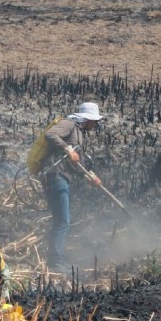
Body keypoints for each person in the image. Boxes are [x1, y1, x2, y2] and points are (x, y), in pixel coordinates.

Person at [41, 101, 104, 270]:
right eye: (94, 121)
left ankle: (56, 260)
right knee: (62, 222)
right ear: (88, 119)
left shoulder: (79, 132)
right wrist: (67, 149)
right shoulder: (69, 123)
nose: (95, 125)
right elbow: (50, 134)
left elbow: (76, 163)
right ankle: (56, 263)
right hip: (55, 176)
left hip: (61, 177)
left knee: (61, 221)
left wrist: (89, 176)